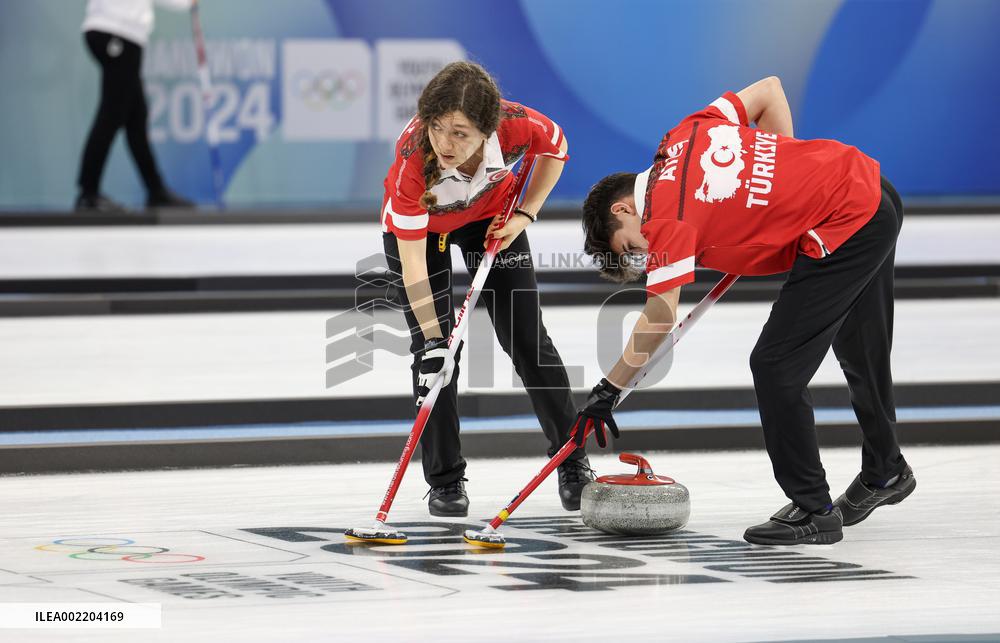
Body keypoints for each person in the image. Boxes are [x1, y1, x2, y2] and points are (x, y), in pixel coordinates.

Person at [575, 76, 915, 545]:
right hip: (873, 190)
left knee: (776, 365)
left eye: (631, 247)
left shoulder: (664, 220)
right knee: (860, 344)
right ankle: (886, 470)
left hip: (846, 222)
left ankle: (814, 509)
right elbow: (770, 91)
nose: (645, 252)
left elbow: (660, 315)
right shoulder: (685, 133)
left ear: (622, 209)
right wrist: (784, 189)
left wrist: (608, 388)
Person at [381, 61, 593, 517]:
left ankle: (571, 461)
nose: (445, 143)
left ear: (487, 130)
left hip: (491, 220)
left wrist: (526, 213)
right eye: (438, 128)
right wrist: (434, 340)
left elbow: (557, 148)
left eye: (460, 133)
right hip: (423, 236)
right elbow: (413, 264)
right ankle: (445, 481)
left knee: (527, 340)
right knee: (435, 357)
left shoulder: (518, 125)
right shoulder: (413, 159)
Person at [76, 0, 196, 212]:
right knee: (111, 115)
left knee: (136, 118)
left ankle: (155, 190)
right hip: (117, 32)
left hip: (117, 32)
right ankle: (88, 192)